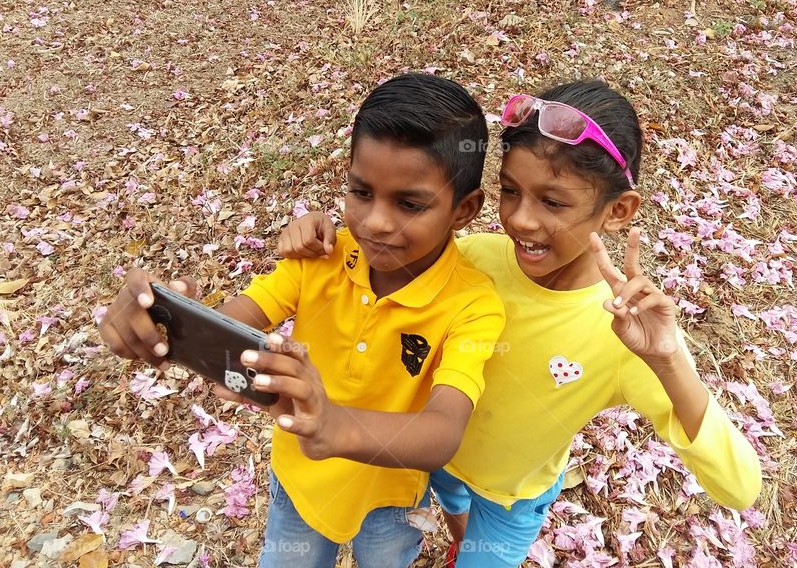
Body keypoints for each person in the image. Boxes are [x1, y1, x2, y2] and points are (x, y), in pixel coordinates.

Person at [278, 79, 763, 568]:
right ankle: (459, 534)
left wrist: (668, 360)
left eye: (553, 202)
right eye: (511, 191)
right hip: (433, 456)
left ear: (618, 211)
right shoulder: (475, 258)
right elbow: (386, 249)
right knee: (454, 504)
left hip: (512, 496)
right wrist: (322, 234)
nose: (521, 220)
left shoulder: (625, 333)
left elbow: (740, 489)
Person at [98, 73, 507, 568]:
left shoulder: (473, 305)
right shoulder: (319, 258)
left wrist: (335, 424)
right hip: (301, 479)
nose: (376, 222)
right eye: (361, 192)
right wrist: (172, 324)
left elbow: (443, 429)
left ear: (464, 210)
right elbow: (237, 321)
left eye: (409, 204)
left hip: (392, 497)